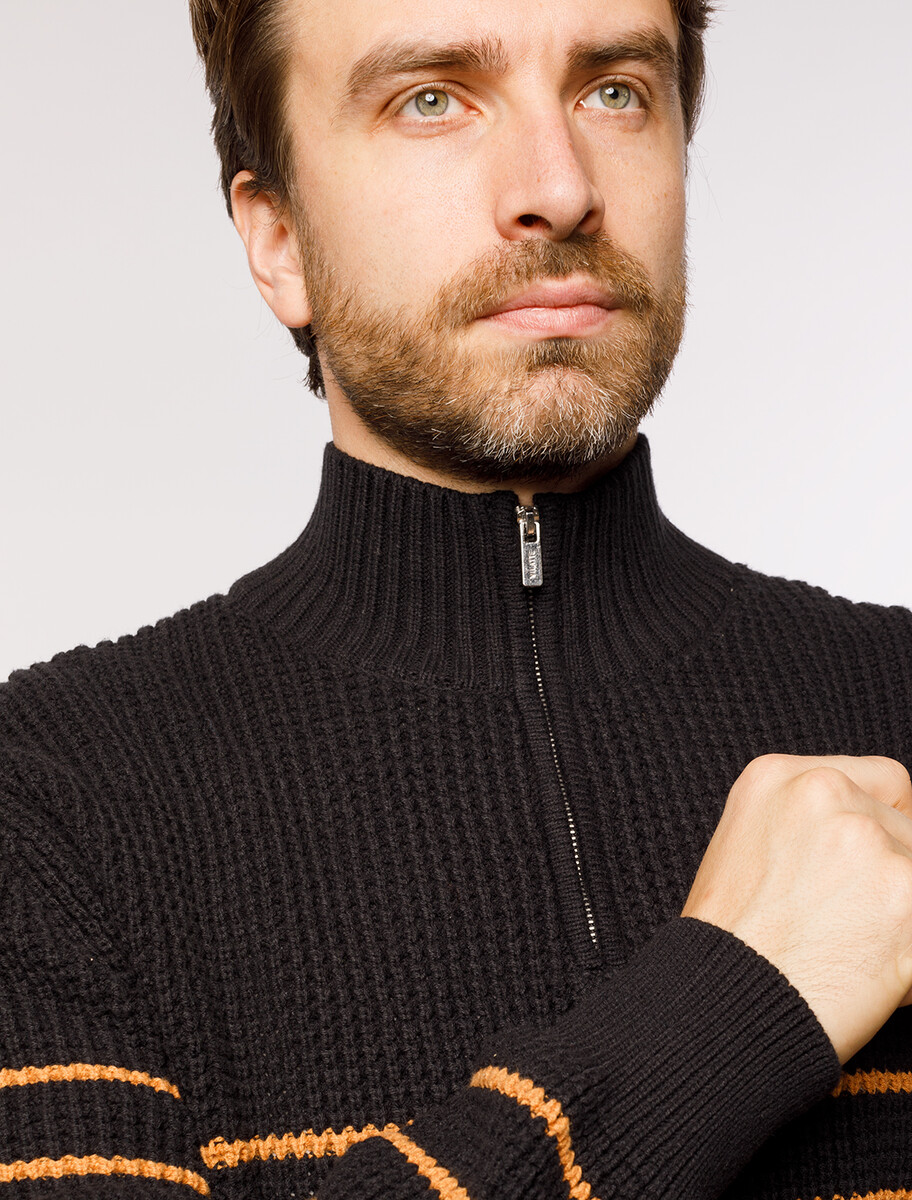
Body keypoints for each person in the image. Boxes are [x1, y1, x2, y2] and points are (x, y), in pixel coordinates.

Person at [3, 1, 912, 1198]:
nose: (560, 188)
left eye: (614, 90)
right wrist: (734, 1003)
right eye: (431, 99)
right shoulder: (45, 803)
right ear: (279, 240)